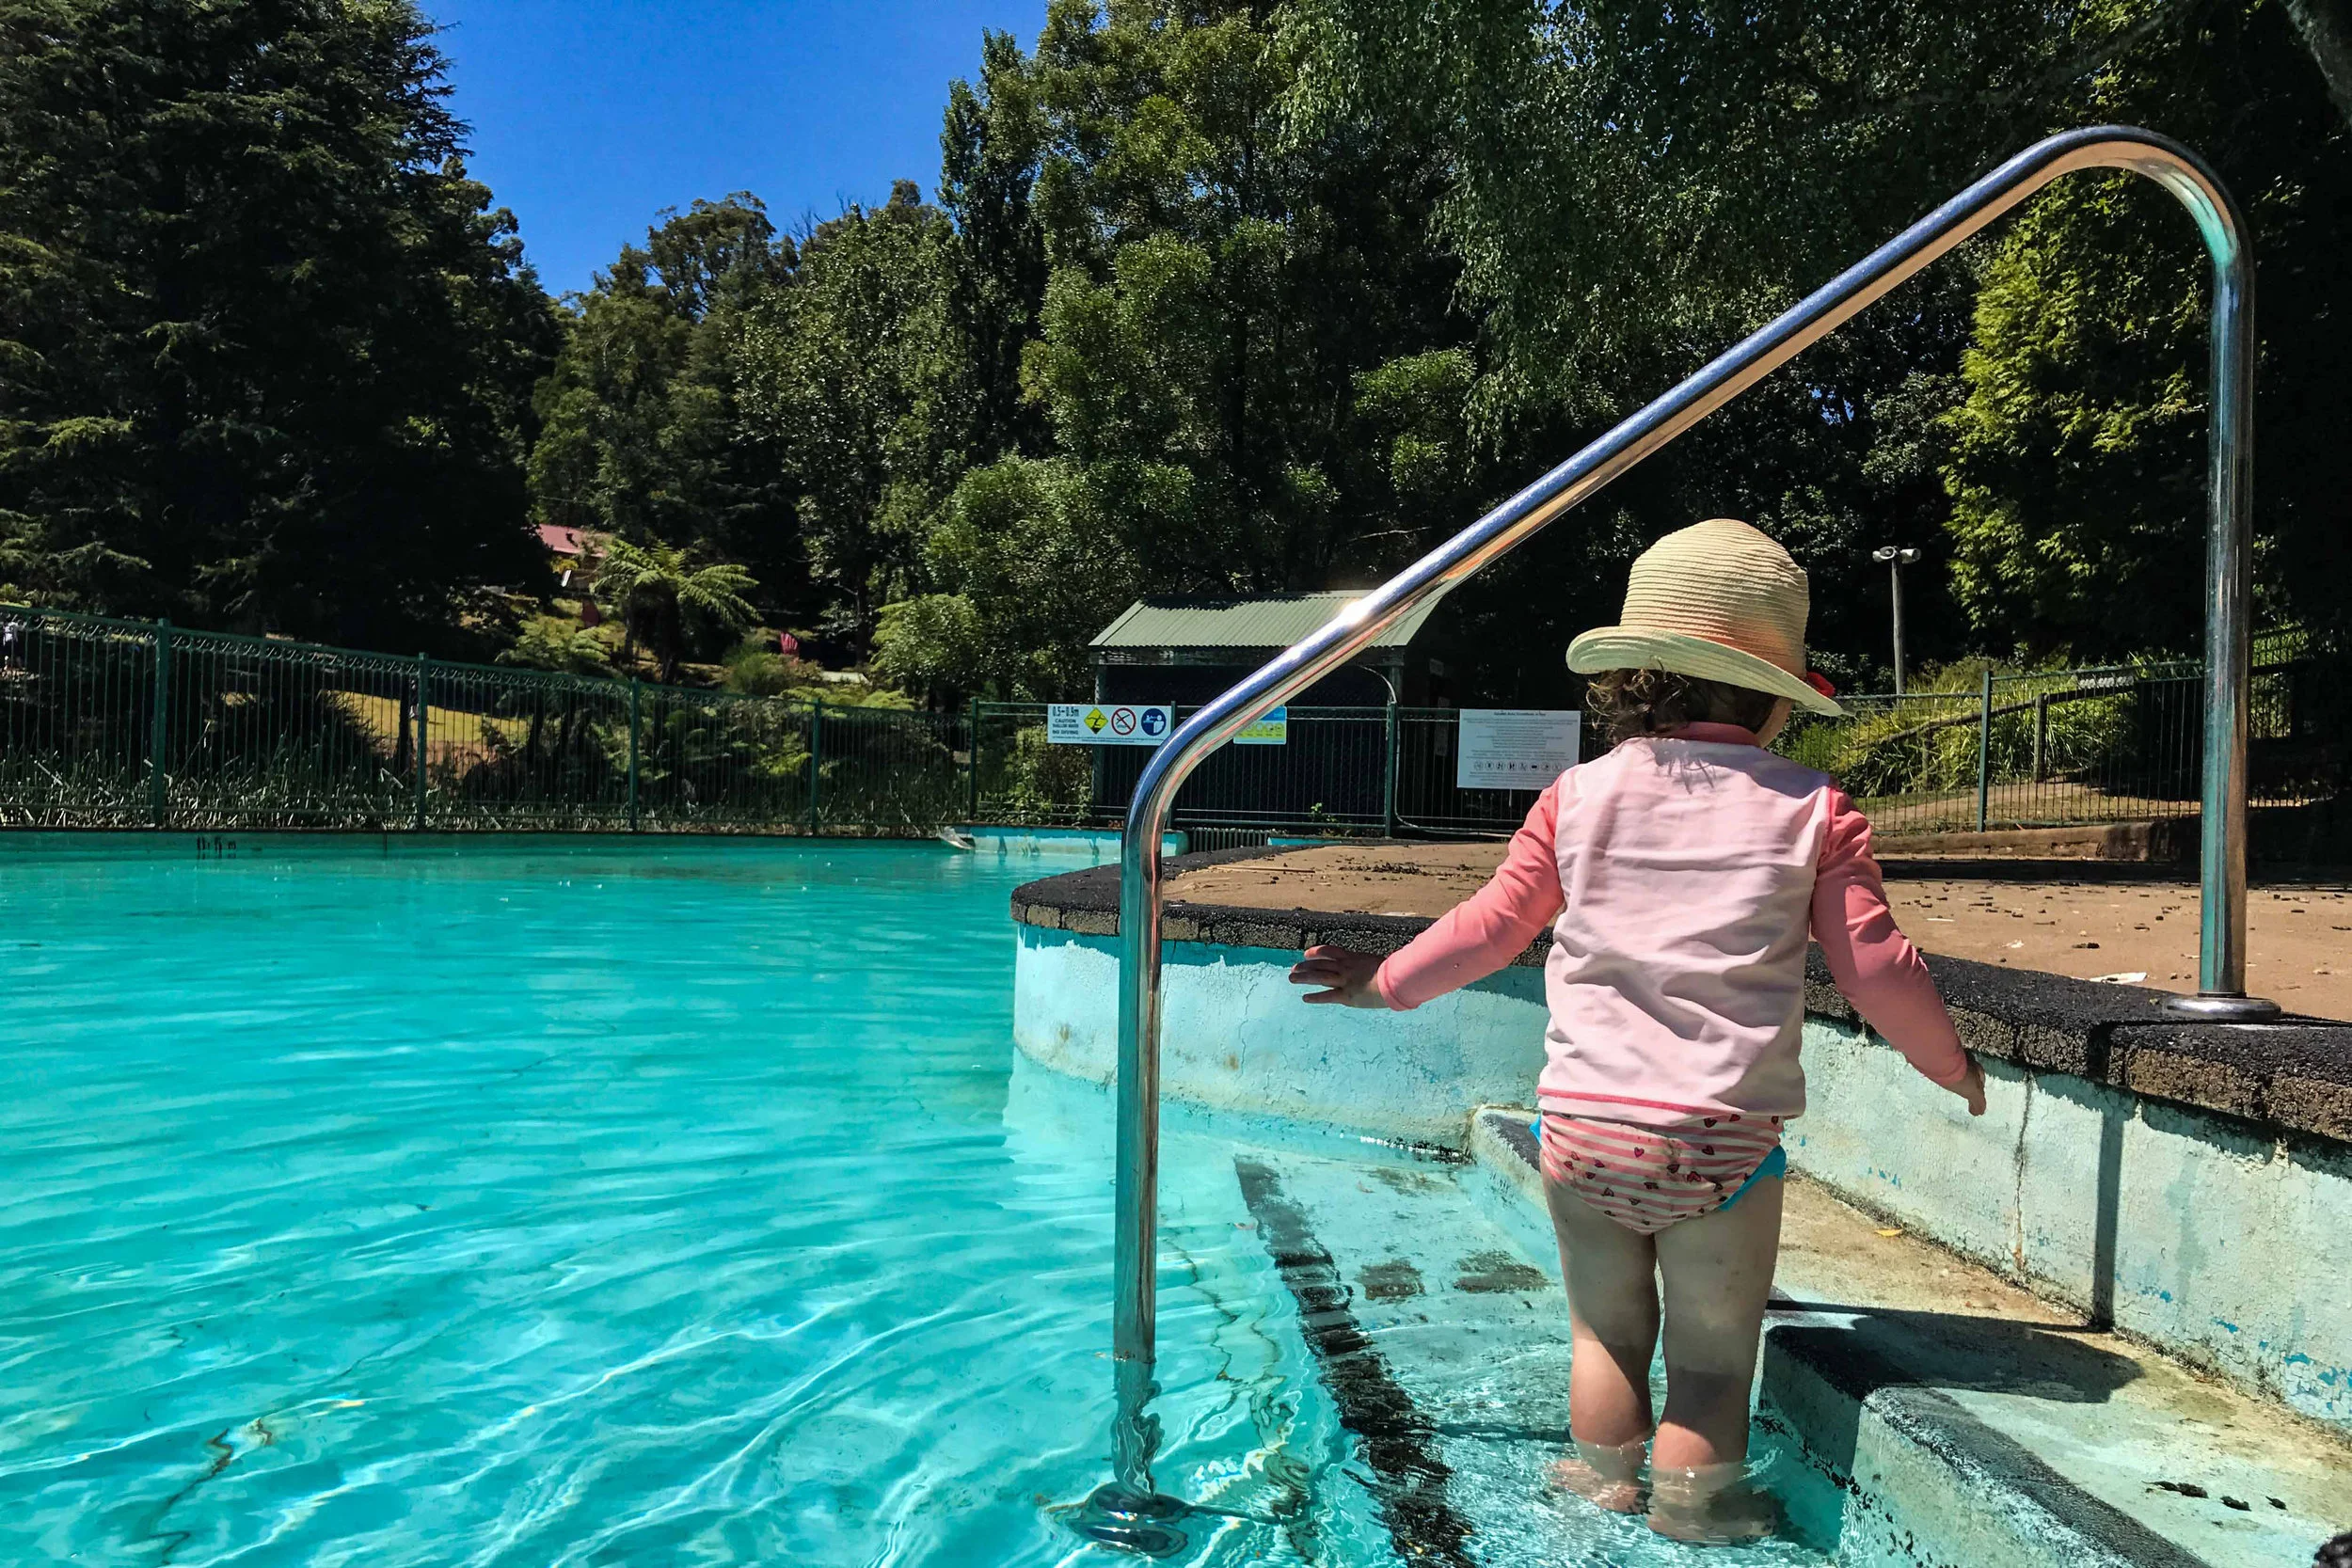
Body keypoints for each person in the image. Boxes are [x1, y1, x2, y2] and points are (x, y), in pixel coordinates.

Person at [1288, 518, 1986, 1542]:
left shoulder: (1576, 795)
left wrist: (1379, 982)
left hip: (1579, 1128)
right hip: (1718, 1136)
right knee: (1709, 1364)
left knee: (1606, 1340)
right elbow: (1876, 967)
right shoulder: (1813, 804)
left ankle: (1598, 1504)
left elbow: (1491, 929)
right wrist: (1949, 1063)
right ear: (1771, 690)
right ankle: (1698, 1527)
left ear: (1632, 674)